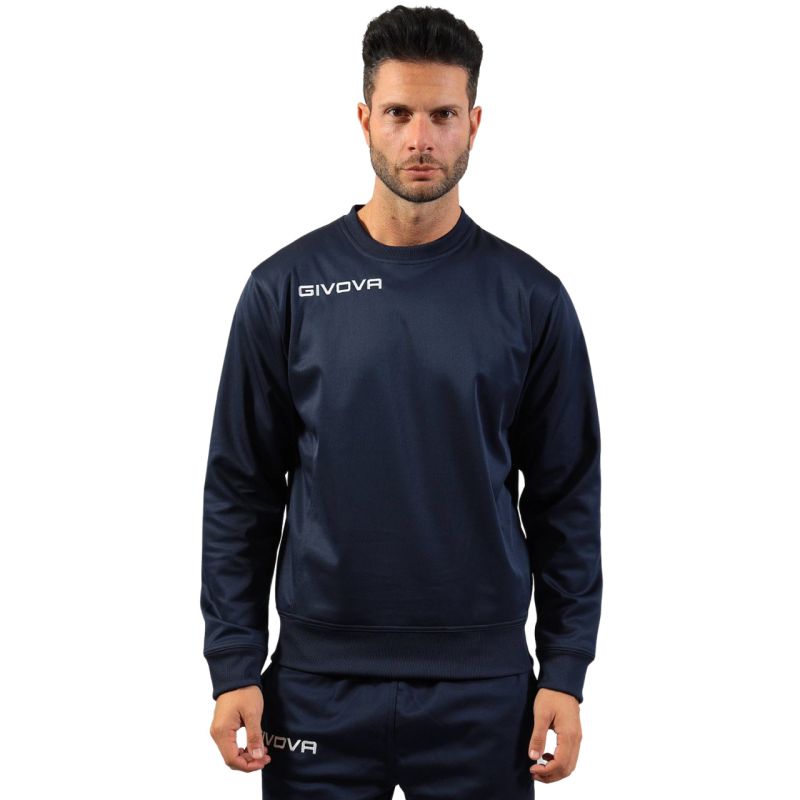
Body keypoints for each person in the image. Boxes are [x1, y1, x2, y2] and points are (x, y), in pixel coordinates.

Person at [200, 5, 602, 798]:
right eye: (399, 113)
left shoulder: (531, 299)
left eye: (443, 115)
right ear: (365, 120)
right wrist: (233, 662)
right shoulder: (285, 289)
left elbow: (567, 498)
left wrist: (565, 669)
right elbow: (241, 490)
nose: (421, 138)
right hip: (315, 684)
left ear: (474, 123)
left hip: (484, 691)